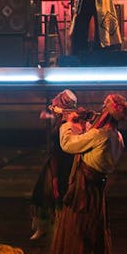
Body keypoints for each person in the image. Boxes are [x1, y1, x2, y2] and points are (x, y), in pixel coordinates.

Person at [49, 93, 127, 254]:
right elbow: (90, 141)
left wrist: (68, 123)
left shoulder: (99, 135)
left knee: (80, 230)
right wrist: (84, 123)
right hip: (97, 186)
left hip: (84, 187)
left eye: (104, 108)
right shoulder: (116, 137)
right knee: (99, 231)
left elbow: (68, 144)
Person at [29, 89, 78, 241]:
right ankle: (42, 228)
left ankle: (63, 231)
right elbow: (50, 112)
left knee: (62, 195)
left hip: (67, 163)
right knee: (41, 194)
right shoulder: (59, 119)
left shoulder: (72, 122)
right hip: (55, 161)